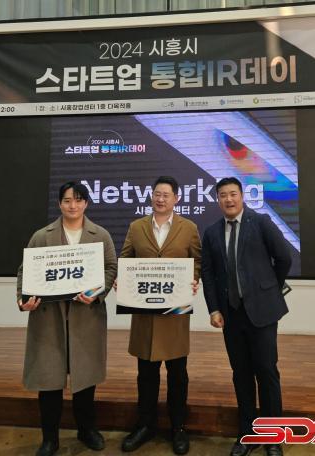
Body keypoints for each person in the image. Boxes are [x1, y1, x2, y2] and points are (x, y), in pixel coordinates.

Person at [16, 181, 117, 456]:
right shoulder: (42, 235)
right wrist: (24, 299)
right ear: (59, 203)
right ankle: (50, 439)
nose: (73, 205)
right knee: (49, 382)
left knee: (85, 381)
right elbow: (26, 271)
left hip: (86, 317)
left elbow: (111, 268)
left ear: (86, 203)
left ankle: (87, 430)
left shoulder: (100, 235)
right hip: (49, 320)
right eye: (67, 200)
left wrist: (96, 293)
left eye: (78, 200)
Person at [201, 177, 292, 456]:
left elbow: (284, 257)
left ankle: (273, 437)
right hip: (231, 315)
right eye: (223, 195)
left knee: (266, 372)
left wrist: (268, 288)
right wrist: (214, 309)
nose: (228, 199)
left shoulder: (260, 222)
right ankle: (247, 435)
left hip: (262, 312)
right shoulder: (212, 232)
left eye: (233, 194)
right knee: (241, 375)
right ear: (218, 200)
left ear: (242, 196)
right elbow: (208, 274)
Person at [117, 176, 201, 455]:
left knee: (178, 375)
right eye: (156, 194)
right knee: (146, 374)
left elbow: (197, 262)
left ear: (177, 198)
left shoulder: (189, 228)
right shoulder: (136, 227)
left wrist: (193, 280)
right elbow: (125, 260)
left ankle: (178, 428)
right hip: (145, 315)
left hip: (175, 314)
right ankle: (145, 425)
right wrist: (122, 280)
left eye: (166, 194)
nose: (160, 198)